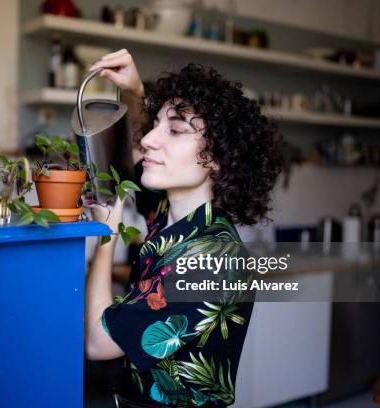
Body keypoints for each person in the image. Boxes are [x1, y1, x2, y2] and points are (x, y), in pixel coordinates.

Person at [83, 49, 284, 408]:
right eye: (156, 125)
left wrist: (105, 238)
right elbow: (140, 151)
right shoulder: (171, 217)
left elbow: (99, 343)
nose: (148, 140)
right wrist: (133, 90)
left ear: (217, 158)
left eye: (175, 130)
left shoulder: (211, 263)